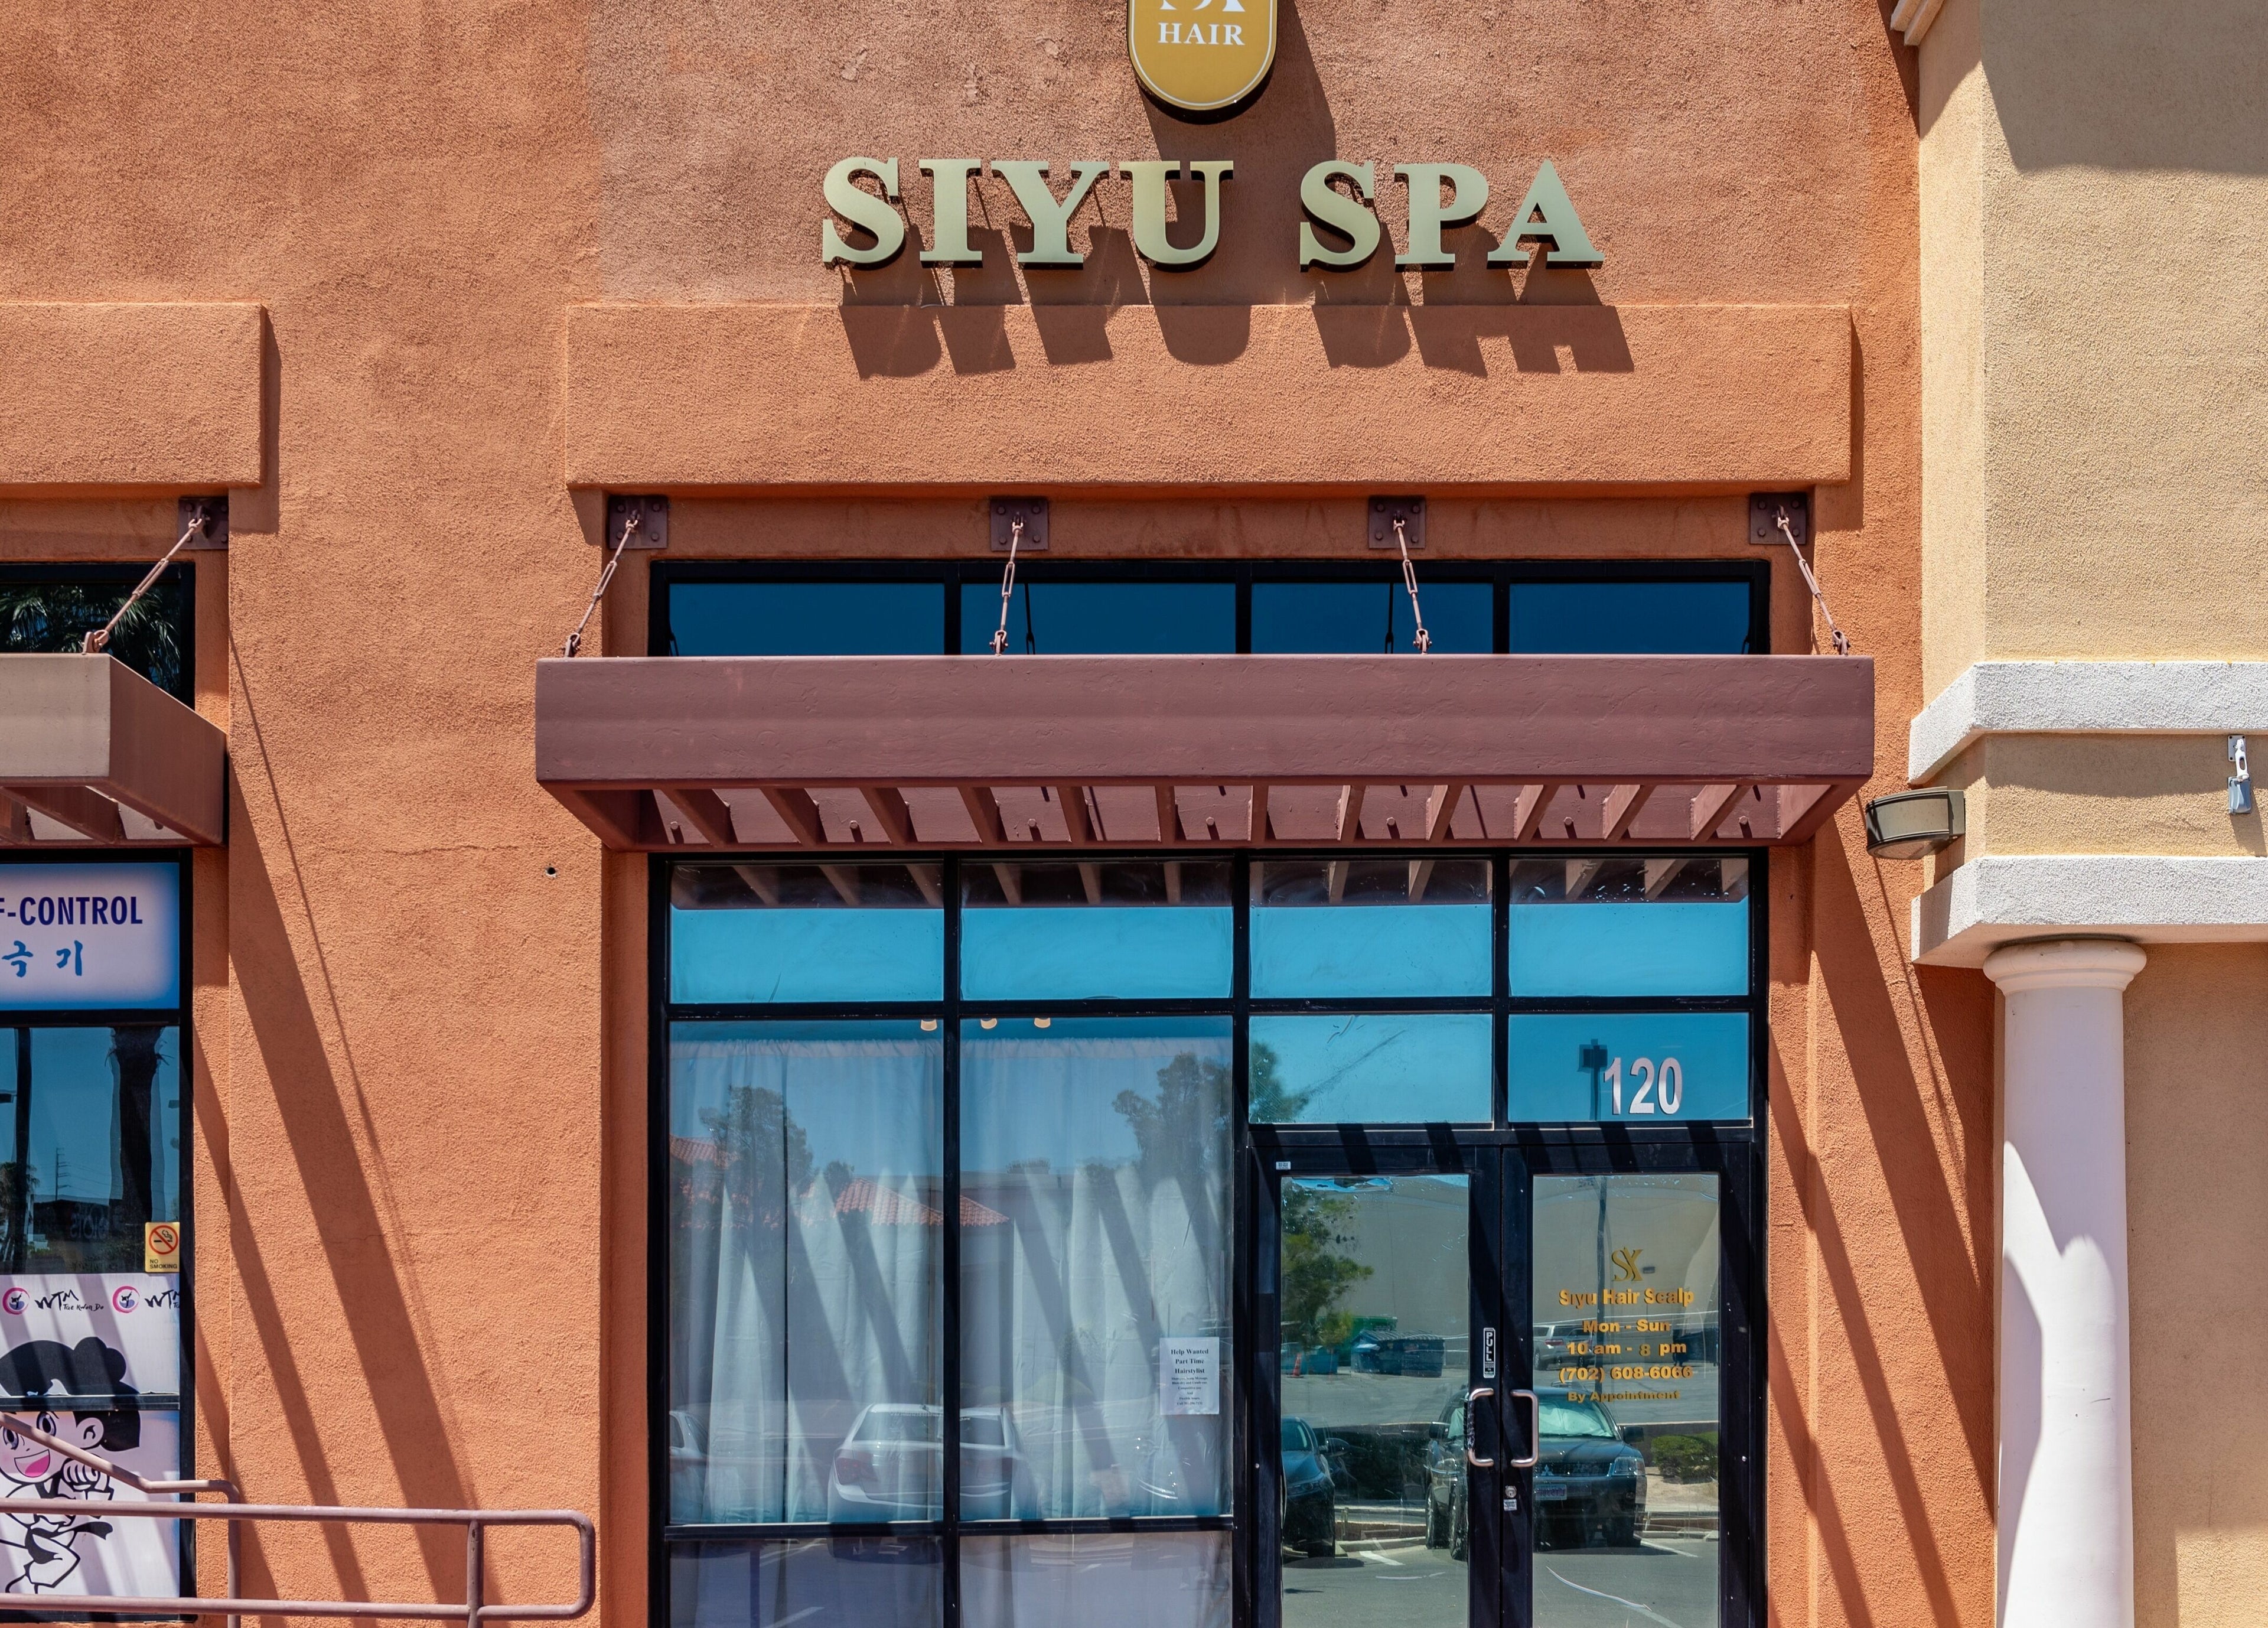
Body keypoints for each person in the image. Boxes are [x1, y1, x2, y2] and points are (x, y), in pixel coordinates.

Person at [0, 1336, 138, 1594]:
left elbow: (101, 1521)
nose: (26, 1444)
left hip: (79, 1570)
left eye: (46, 1424)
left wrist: (93, 1489)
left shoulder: (84, 1476)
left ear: (90, 1432)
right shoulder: (21, 1496)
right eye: (9, 1433)